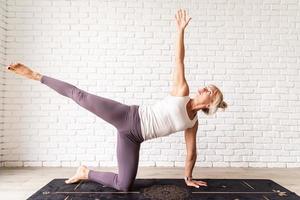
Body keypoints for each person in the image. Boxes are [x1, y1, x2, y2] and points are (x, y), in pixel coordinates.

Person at [6, 9, 227, 192]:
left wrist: (188, 177)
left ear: (209, 103)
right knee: (80, 96)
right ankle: (36, 76)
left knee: (124, 185)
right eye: (206, 86)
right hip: (128, 115)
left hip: (134, 138)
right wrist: (180, 31)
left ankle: (85, 172)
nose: (203, 88)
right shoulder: (182, 91)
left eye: (209, 90)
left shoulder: (192, 123)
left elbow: (191, 152)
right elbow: (179, 59)